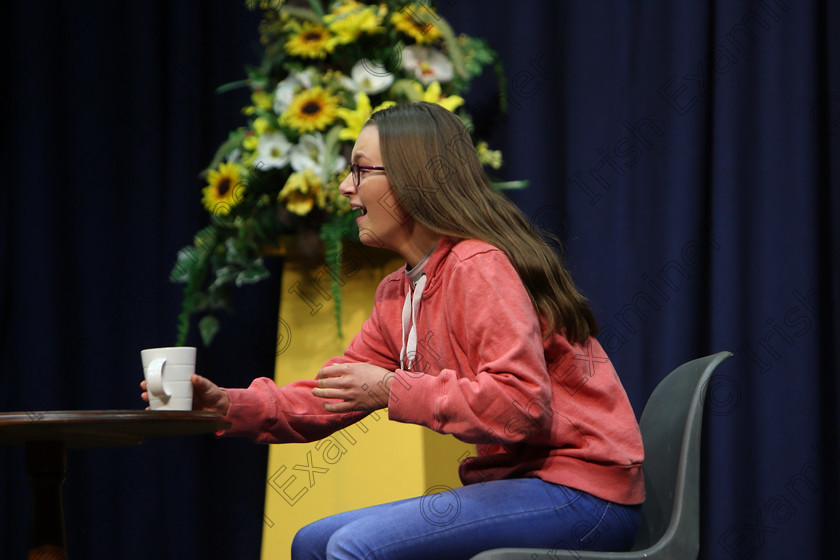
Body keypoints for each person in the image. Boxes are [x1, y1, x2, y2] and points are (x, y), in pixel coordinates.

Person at [141, 102, 645, 559]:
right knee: (311, 542)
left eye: (361, 170)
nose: (344, 187)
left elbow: (519, 407)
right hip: (520, 486)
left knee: (354, 547)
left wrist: (388, 387)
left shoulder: (477, 265)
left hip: (582, 496)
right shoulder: (397, 294)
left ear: (412, 180)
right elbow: (330, 396)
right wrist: (228, 405)